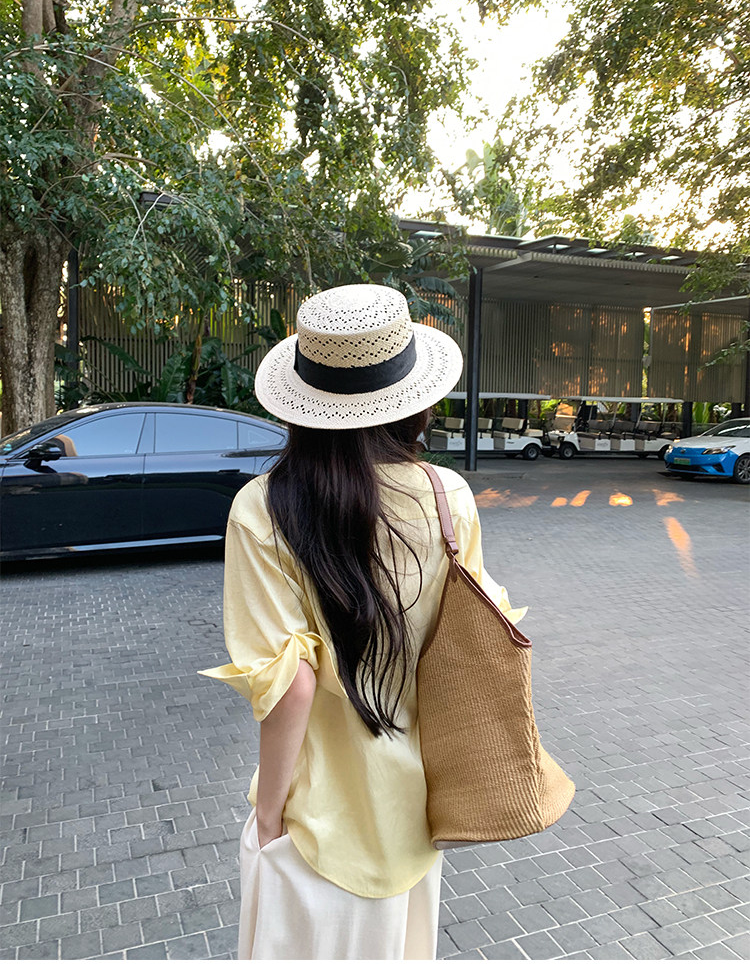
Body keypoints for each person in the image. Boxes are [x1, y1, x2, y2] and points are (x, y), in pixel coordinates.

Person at [198, 283, 527, 960]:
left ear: (304, 399)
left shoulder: (263, 509)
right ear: (414, 399)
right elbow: (469, 642)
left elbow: (291, 685)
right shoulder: (448, 497)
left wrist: (267, 818)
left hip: (315, 828)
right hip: (415, 817)